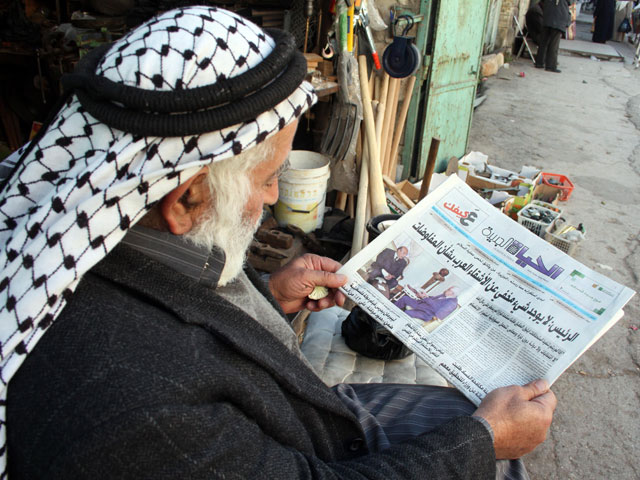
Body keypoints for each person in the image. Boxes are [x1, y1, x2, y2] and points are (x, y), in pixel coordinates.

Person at [0, 6, 556, 479]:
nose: (272, 198)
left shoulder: (116, 236)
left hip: (307, 415)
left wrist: (271, 299)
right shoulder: (136, 412)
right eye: (268, 180)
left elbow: (191, 322)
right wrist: (481, 444)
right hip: (311, 450)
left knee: (466, 407)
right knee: (492, 447)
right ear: (186, 200)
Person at [535, 0, 572, 72]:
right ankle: (550, 65)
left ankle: (539, 62)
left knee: (543, 42)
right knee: (554, 44)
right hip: (558, 17)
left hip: (548, 16)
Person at [394, 286, 460, 323]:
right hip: (422, 305)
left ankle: (396, 322)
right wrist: (424, 295)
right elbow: (433, 299)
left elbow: (437, 310)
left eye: (448, 290)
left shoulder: (451, 303)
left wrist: (425, 297)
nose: (446, 290)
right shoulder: (444, 295)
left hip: (426, 313)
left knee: (407, 312)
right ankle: (392, 309)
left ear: (452, 293)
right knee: (405, 298)